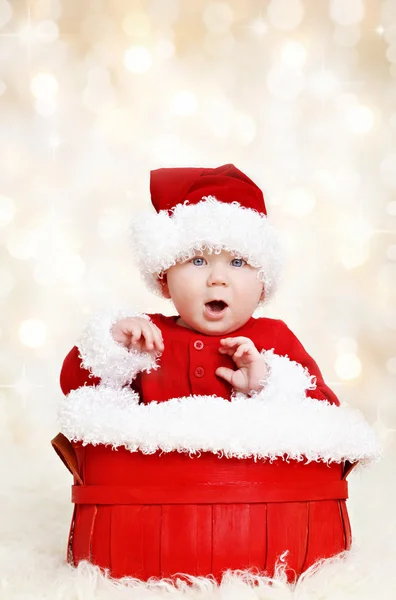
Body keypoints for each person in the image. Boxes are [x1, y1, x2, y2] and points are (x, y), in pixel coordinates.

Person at [56, 164, 378, 582]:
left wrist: (264, 381)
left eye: (239, 261)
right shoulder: (147, 335)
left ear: (263, 284)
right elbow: (80, 397)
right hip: (156, 523)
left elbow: (324, 417)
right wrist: (113, 345)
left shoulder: (273, 339)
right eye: (197, 259)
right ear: (164, 277)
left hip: (264, 521)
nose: (218, 278)